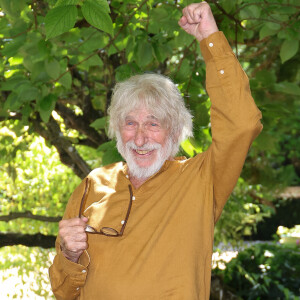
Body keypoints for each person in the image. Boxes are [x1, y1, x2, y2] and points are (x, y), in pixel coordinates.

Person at [49, 2, 263, 299]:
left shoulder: (201, 180)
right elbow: (63, 292)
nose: (139, 139)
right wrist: (70, 255)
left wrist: (209, 38)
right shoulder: (92, 184)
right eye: (130, 123)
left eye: (153, 124)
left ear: (175, 131)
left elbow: (242, 124)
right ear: (116, 128)